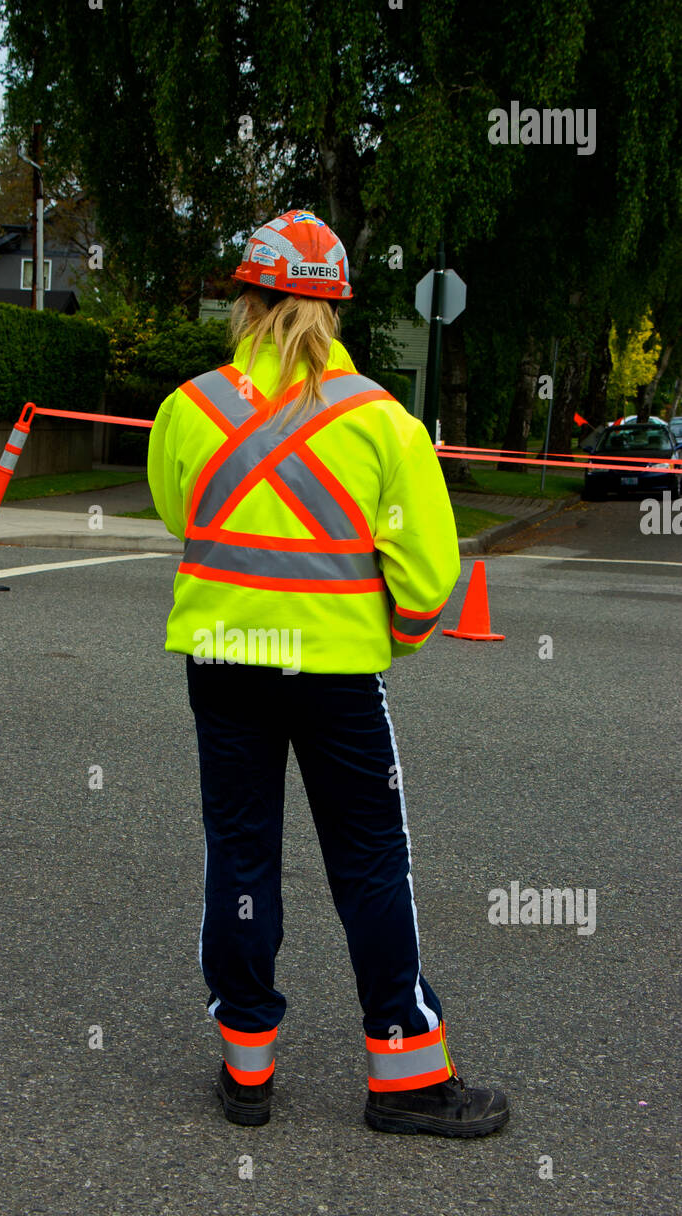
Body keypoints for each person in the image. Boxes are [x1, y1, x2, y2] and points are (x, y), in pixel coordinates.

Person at [148, 209, 509, 1138]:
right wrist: (396, 636)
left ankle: (247, 1068)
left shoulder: (189, 409)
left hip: (224, 660)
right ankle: (405, 1075)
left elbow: (179, 513)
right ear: (337, 310)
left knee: (239, 851)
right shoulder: (383, 422)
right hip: (340, 675)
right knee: (369, 860)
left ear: (247, 299)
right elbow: (428, 575)